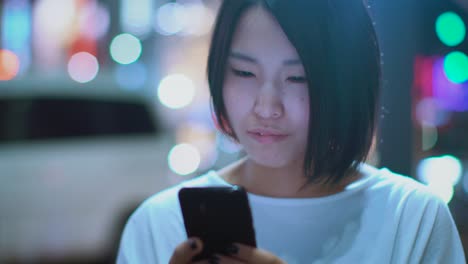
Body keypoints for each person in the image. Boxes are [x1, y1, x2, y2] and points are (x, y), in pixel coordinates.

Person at [117, 0, 466, 263]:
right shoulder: (159, 225)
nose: (267, 107)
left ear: (347, 83)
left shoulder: (413, 220)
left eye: (297, 78)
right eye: (244, 72)